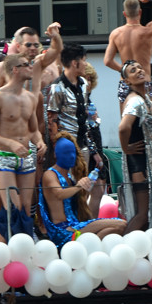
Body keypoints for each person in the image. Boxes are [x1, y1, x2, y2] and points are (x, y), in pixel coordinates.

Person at [0, 54, 46, 240]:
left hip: (26, 156)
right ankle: (7, 249)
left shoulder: (30, 98)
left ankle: (23, 247)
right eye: (25, 65)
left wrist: (40, 141)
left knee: (26, 207)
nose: (30, 67)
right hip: (5, 155)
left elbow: (33, 130)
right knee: (12, 207)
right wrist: (10, 143)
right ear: (15, 69)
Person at [47, 42, 104, 216]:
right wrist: (57, 145)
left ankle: (82, 219)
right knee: (68, 185)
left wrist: (93, 149)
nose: (86, 64)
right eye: (84, 60)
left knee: (84, 185)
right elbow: (52, 118)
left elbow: (86, 118)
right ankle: (68, 220)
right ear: (75, 63)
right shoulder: (57, 87)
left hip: (84, 144)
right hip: (67, 145)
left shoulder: (84, 84)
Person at [39, 135, 126, 247]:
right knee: (121, 224)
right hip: (64, 231)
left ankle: (87, 247)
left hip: (76, 226)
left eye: (72, 153)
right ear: (56, 154)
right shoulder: (49, 174)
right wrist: (79, 186)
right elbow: (59, 194)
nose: (70, 156)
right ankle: (86, 247)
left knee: (119, 227)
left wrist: (92, 191)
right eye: (66, 152)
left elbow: (82, 209)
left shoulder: (70, 177)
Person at [104, 0, 152, 102]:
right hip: (144, 80)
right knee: (147, 117)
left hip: (126, 81)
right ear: (140, 12)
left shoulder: (116, 34)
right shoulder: (148, 31)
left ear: (124, 14)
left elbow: (108, 61)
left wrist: (126, 72)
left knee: (126, 117)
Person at [118, 60, 152, 232]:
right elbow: (123, 128)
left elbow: (139, 126)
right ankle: (124, 246)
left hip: (144, 162)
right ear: (127, 81)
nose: (139, 71)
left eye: (140, 67)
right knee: (142, 214)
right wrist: (126, 148)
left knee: (147, 212)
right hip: (139, 164)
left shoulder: (144, 98)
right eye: (133, 70)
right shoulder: (135, 101)